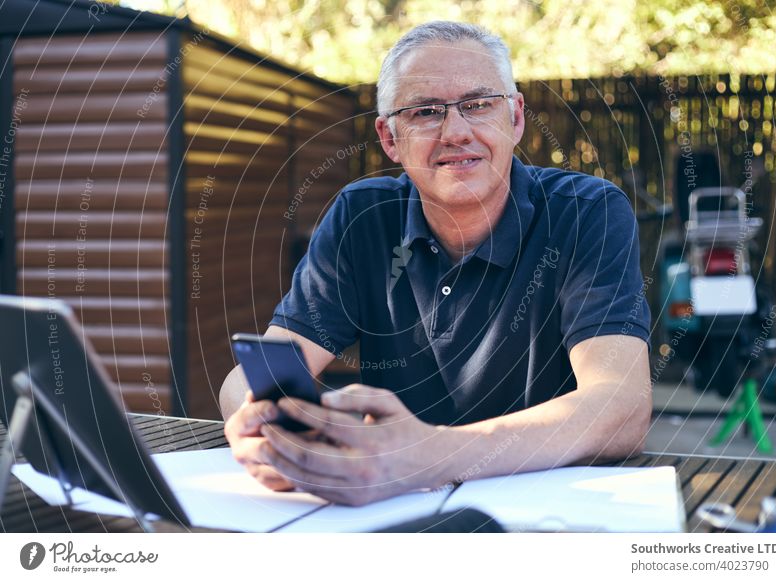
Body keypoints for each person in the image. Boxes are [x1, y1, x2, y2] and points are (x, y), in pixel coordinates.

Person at [221, 21, 652, 506]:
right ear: (390, 137)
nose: (455, 131)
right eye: (425, 112)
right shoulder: (362, 216)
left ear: (514, 118)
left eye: (477, 104)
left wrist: (426, 455)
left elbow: (622, 404)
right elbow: (259, 372)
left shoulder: (586, 211)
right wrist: (270, 434)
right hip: (389, 513)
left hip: (545, 512)